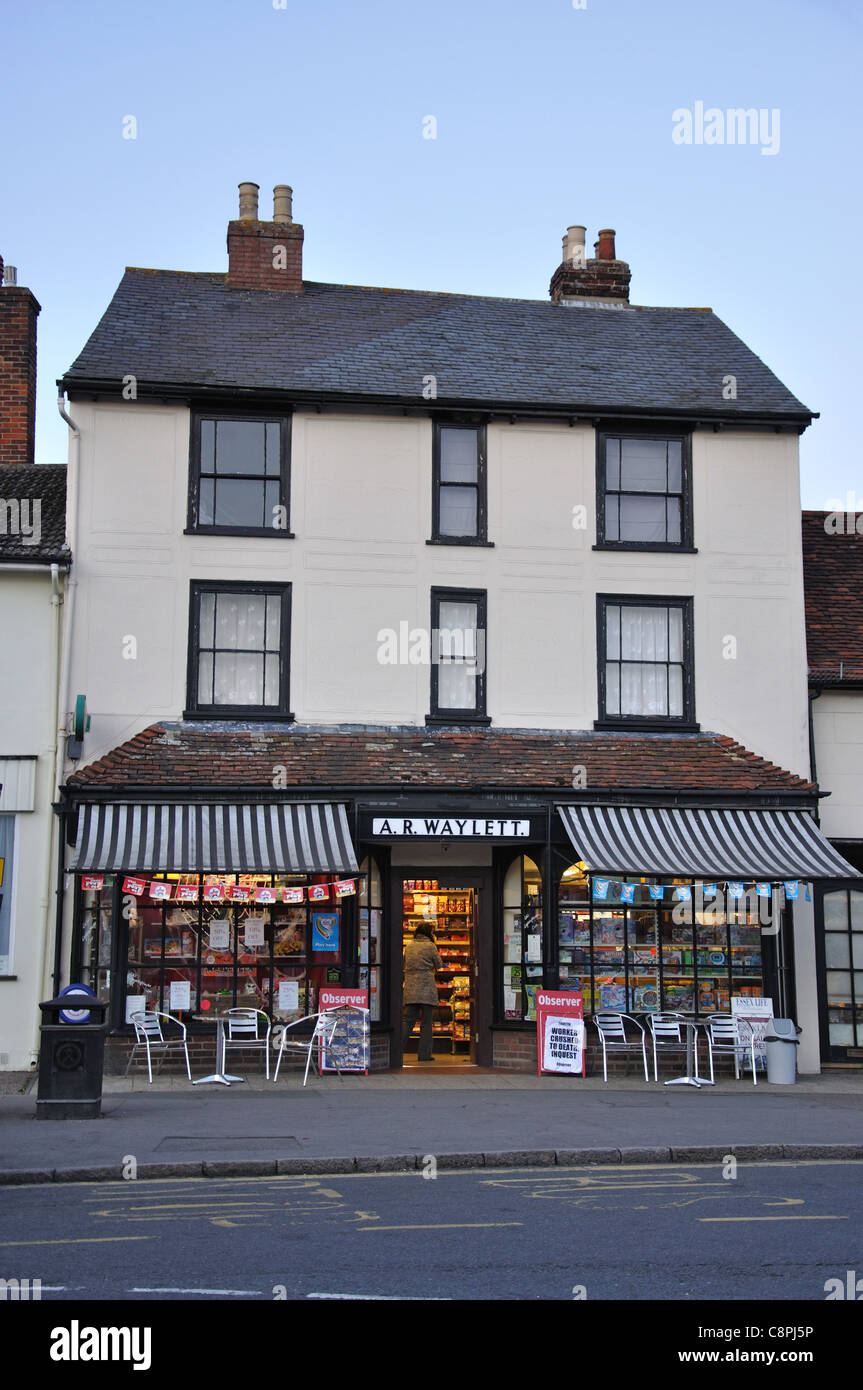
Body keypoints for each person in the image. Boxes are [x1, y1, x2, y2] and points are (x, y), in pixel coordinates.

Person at [402, 923, 443, 1062]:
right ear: (428, 933)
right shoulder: (430, 946)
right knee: (426, 1023)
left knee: (407, 1022)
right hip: (426, 986)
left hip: (410, 987)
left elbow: (403, 963)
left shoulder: (409, 946)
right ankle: (424, 1055)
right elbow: (439, 964)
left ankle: (397, 1050)